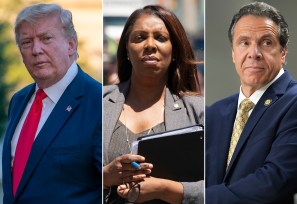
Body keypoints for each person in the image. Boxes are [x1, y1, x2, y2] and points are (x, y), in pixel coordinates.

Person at [206, 2, 297, 204]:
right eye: (244, 43)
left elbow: (274, 182)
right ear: (233, 54)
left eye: (266, 42)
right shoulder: (214, 113)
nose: (254, 53)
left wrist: (198, 198)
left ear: (283, 52)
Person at [103, 5, 204, 204]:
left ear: (174, 50)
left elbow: (220, 185)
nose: (150, 45)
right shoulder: (98, 102)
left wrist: (166, 189)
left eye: (160, 37)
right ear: (126, 49)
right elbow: (66, 174)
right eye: (140, 37)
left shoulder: (198, 112)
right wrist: (105, 177)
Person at [2, 4, 102, 204]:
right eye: (27, 42)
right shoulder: (18, 100)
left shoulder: (98, 101)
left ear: (71, 45)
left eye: (46, 38)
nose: (36, 50)